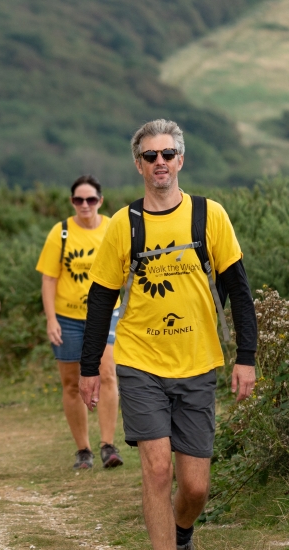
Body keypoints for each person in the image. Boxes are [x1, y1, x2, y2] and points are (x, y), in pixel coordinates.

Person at [80, 120, 257, 550]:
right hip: (141, 363)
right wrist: (90, 369)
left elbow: (238, 289)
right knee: (158, 471)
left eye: (167, 154)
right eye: (150, 156)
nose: (159, 163)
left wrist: (246, 356)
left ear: (181, 159)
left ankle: (181, 532)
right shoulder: (125, 223)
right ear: (138, 164)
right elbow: (101, 299)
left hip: (198, 362)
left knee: (195, 488)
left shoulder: (209, 215)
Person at [35, 175, 123, 470]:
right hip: (67, 317)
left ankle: (108, 446)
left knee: (107, 372)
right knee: (72, 383)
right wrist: (51, 320)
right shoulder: (59, 232)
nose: (84, 205)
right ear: (72, 202)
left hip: (107, 313)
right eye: (78, 200)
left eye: (91, 199)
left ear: (101, 201)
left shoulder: (114, 228)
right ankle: (83, 450)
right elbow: (49, 279)